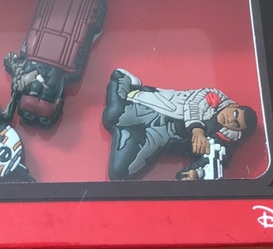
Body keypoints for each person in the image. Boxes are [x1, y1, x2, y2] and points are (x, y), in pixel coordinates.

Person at [102, 68, 257, 180]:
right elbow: (193, 104)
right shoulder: (215, 96)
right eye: (235, 114)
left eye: (236, 124)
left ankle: (128, 132)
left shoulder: (221, 142)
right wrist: (197, 131)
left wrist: (196, 173)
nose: (231, 120)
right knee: (113, 115)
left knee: (121, 171)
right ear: (234, 106)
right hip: (156, 109)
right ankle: (123, 80)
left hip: (158, 137)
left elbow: (212, 162)